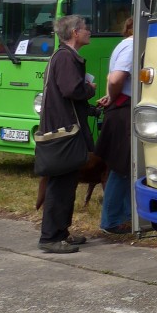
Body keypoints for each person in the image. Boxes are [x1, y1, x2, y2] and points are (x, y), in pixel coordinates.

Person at [36, 15, 96, 254]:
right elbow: (71, 90)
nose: (89, 32)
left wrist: (90, 108)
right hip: (64, 134)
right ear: (74, 33)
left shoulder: (63, 56)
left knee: (66, 185)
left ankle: (61, 233)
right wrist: (89, 90)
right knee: (60, 187)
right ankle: (50, 237)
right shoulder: (65, 58)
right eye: (85, 29)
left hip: (65, 130)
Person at [95, 16, 133, 234]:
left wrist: (110, 96)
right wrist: (114, 96)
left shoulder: (122, 45)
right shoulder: (131, 47)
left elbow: (112, 78)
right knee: (121, 167)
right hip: (123, 110)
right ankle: (110, 220)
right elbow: (116, 79)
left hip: (120, 108)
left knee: (126, 166)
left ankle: (127, 215)